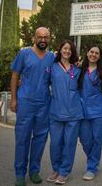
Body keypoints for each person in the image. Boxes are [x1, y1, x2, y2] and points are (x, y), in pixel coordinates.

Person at [10, 27, 55, 186]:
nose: (43, 40)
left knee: (40, 139)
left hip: (44, 103)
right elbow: (15, 75)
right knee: (22, 138)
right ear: (34, 38)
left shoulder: (51, 57)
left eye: (46, 37)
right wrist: (13, 99)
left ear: (49, 39)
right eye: (40, 37)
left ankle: (34, 171)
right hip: (26, 102)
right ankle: (20, 173)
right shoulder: (24, 54)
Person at [46, 40, 84, 185]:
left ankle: (64, 172)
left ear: (72, 52)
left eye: (70, 49)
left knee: (69, 144)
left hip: (73, 113)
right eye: (65, 48)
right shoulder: (52, 67)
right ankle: (56, 168)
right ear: (60, 50)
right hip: (56, 111)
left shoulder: (78, 70)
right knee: (55, 143)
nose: (67, 51)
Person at [78, 44, 102, 181]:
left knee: (97, 140)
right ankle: (93, 159)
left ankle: (91, 167)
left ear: (99, 56)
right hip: (82, 110)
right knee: (85, 139)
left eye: (97, 53)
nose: (94, 55)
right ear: (87, 53)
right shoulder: (80, 70)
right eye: (92, 52)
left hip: (99, 110)